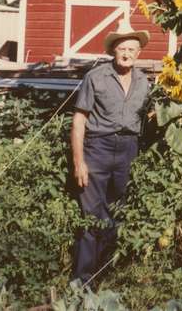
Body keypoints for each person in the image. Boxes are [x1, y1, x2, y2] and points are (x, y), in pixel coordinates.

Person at [71, 18, 152, 285]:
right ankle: (82, 282)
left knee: (118, 213)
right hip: (98, 148)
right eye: (122, 49)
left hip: (129, 149)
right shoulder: (96, 77)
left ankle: (104, 276)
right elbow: (79, 121)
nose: (127, 54)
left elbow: (148, 119)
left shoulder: (144, 82)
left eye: (131, 49)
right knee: (92, 214)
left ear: (138, 53)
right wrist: (79, 162)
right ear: (113, 51)